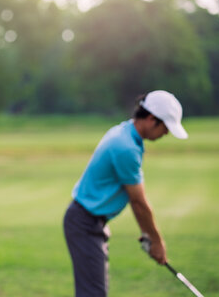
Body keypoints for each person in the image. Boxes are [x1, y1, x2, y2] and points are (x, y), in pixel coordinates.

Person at [63, 90, 188, 296]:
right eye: (166, 127)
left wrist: (148, 235)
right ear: (151, 119)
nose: (166, 134)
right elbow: (138, 203)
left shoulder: (126, 134)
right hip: (84, 223)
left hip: (88, 221)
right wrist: (156, 242)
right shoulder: (126, 147)